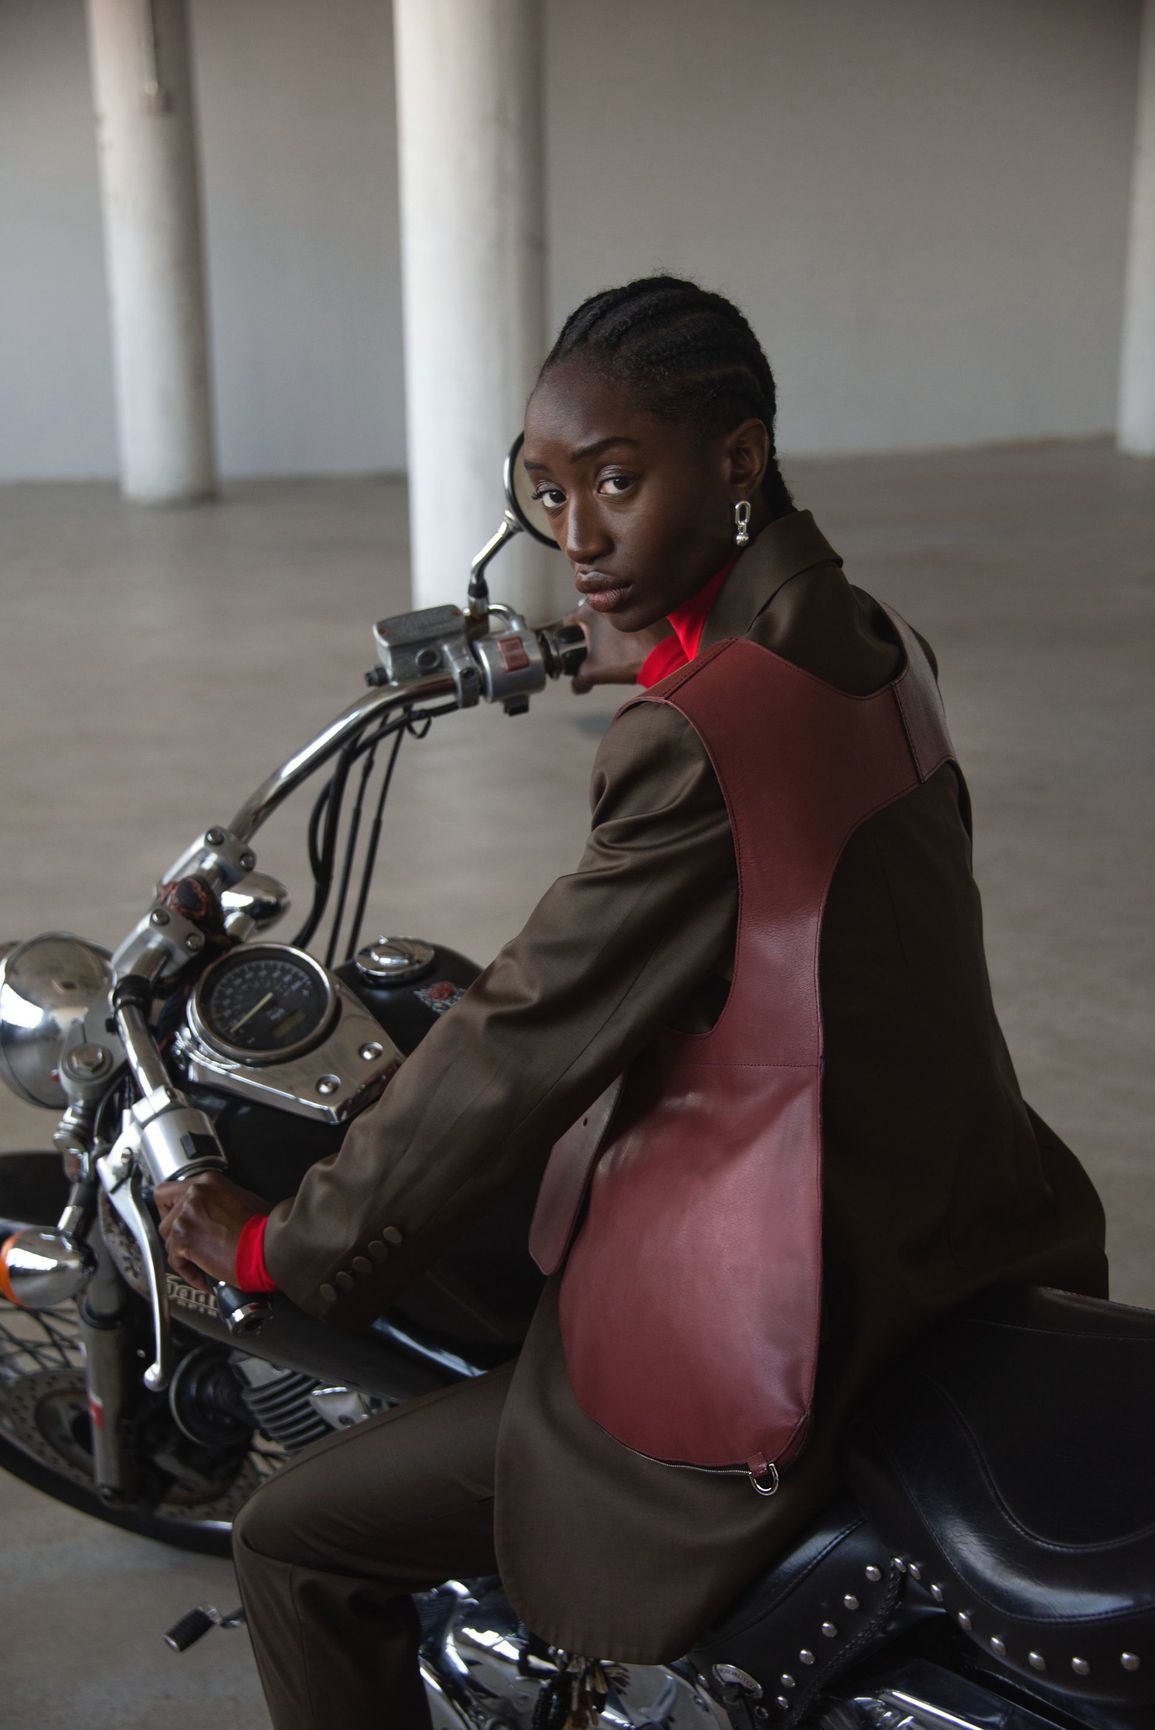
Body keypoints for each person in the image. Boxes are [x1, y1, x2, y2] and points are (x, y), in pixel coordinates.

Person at [155, 276, 1107, 1730]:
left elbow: (518, 1034)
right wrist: (646, 644)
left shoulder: (697, 741)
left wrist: (289, 1240)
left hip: (793, 1307)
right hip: (950, 1216)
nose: (579, 538)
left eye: (616, 480)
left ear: (736, 458)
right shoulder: (869, 643)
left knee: (299, 1535)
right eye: (545, 491)